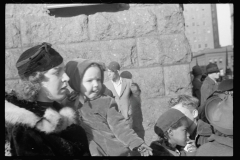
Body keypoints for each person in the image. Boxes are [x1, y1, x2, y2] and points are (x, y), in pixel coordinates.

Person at [5, 42, 90, 156]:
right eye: (57, 72)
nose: (66, 78)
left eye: (64, 71)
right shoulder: (27, 130)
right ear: (36, 79)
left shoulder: (66, 113)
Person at [64, 58, 152, 156]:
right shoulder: (68, 104)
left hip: (111, 152)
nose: (96, 84)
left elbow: (120, 126)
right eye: (89, 80)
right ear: (76, 82)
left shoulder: (105, 102)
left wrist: (136, 143)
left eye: (98, 79)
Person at [104, 61, 145, 139]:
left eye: (111, 72)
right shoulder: (106, 86)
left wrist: (131, 110)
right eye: (108, 72)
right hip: (114, 120)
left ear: (118, 72)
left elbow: (136, 98)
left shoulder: (128, 82)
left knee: (129, 140)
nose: (108, 74)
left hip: (127, 118)